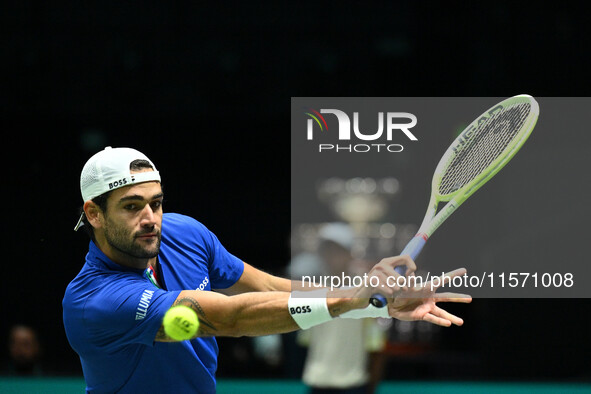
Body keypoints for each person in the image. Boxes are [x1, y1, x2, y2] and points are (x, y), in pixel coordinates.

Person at [62, 147, 471, 394]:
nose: (151, 218)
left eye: (156, 202)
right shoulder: (96, 302)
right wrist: (351, 298)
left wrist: (374, 301)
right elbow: (231, 316)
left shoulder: (184, 233)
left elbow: (269, 285)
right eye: (132, 206)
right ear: (94, 213)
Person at [296, 223, 388, 394]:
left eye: (337, 250)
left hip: (353, 385)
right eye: (327, 250)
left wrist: (371, 388)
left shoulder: (366, 292)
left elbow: (376, 346)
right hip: (317, 383)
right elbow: (305, 340)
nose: (331, 256)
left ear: (350, 253)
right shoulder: (311, 290)